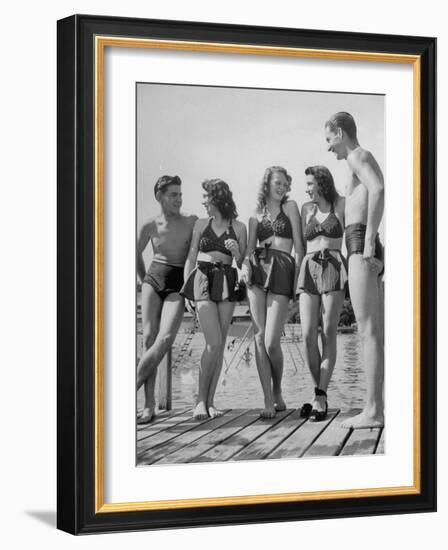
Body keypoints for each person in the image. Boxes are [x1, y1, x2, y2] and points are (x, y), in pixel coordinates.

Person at [325, 111, 384, 428]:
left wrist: (370, 242)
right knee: (373, 332)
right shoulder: (355, 161)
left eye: (329, 139)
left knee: (368, 331)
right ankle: (377, 406)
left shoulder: (358, 155)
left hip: (361, 240)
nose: (328, 147)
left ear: (340, 132)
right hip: (358, 239)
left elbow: (378, 189)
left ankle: (373, 411)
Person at [241, 166, 304, 418]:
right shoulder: (255, 214)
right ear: (266, 184)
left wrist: (296, 285)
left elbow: (299, 248)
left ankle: (277, 389)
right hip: (257, 270)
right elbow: (248, 250)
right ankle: (267, 398)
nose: (282, 187)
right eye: (277, 182)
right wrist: (245, 265)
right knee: (258, 337)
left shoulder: (291, 207)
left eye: (285, 183)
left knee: (271, 342)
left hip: (283, 269)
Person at [181, 179, 247, 420]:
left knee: (219, 347)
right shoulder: (200, 223)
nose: (203, 203)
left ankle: (210, 402)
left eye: (206, 198)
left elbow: (242, 263)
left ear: (217, 199)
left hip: (228, 280)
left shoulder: (239, 227)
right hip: (202, 277)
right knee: (213, 342)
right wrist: (185, 289)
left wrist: (236, 251)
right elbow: (190, 258)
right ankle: (199, 400)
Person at [136, 175, 197, 424]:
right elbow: (134, 252)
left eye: (180, 194)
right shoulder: (150, 225)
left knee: (166, 338)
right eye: (173, 195)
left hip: (176, 284)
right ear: (160, 196)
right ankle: (149, 404)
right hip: (153, 278)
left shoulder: (191, 221)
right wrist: (143, 279)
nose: (178, 199)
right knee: (148, 338)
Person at [297, 166, 347, 421]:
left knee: (328, 333)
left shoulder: (340, 204)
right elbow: (298, 247)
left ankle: (319, 396)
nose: (306, 188)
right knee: (307, 334)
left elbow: (354, 235)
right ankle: (321, 395)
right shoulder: (306, 209)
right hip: (308, 267)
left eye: (309, 183)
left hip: (334, 266)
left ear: (321, 182)